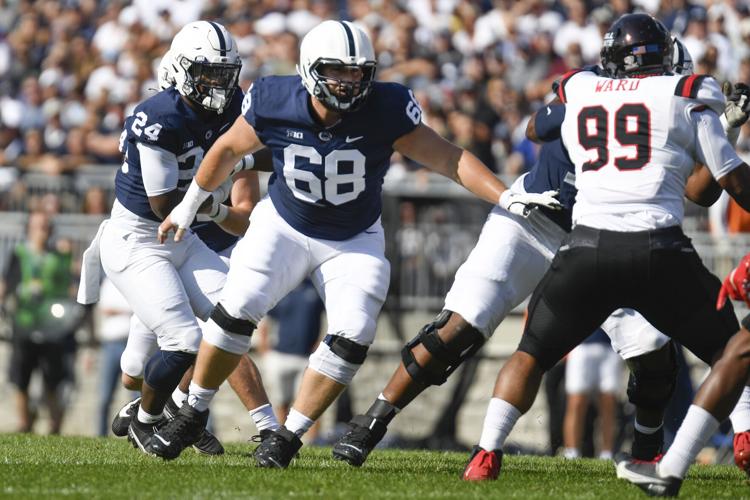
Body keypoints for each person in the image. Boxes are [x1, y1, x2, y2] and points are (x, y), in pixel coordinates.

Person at [151, 19, 560, 465]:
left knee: (353, 333)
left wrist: (506, 195)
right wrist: (189, 205)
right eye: (336, 71)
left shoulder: (387, 106)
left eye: (357, 72)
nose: (348, 82)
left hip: (353, 238)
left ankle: (287, 437)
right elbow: (228, 149)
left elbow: (447, 157)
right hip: (285, 224)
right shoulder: (273, 97)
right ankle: (193, 410)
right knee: (235, 309)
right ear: (309, 69)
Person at [329, 36, 739, 468]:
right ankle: (373, 420)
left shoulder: (665, 107)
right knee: (457, 328)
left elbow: (700, 193)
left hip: (603, 236)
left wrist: (725, 129)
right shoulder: (593, 90)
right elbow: (534, 128)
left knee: (654, 354)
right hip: (535, 218)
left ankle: (645, 455)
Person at [458, 14, 750, 497]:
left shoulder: (580, 89)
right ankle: (743, 437)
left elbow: (535, 128)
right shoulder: (686, 93)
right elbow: (727, 184)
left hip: (586, 247)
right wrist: (726, 126)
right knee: (732, 349)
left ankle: (486, 454)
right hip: (658, 249)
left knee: (531, 353)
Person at [77, 20, 275, 455]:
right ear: (182, 69)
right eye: (208, 73)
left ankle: (176, 412)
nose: (218, 84)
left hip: (181, 239)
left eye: (225, 74)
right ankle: (148, 420)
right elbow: (164, 204)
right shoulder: (159, 116)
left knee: (234, 319)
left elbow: (265, 154)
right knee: (180, 343)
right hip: (140, 240)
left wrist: (241, 165)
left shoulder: (230, 107)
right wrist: (227, 178)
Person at [1, 211, 80, 434]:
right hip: (24, 324)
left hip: (53, 327)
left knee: (54, 380)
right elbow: (8, 283)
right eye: (38, 226)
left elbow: (72, 284)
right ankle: (24, 423)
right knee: (21, 377)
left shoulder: (60, 256)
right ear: (29, 229)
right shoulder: (19, 253)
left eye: (46, 226)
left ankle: (54, 427)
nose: (42, 231)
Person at [257, 279, 325, 423]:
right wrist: (264, 349)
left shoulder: (316, 289)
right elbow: (266, 319)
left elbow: (326, 318)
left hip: (307, 357)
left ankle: (314, 440)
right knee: (281, 401)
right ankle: (281, 438)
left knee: (310, 402)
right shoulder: (281, 288)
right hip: (279, 355)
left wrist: (321, 346)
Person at [562, 329, 623, 460]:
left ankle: (607, 454)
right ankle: (571, 452)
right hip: (580, 345)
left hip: (611, 346)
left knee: (609, 404)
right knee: (576, 403)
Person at [94, 276, 132, 437]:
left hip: (132, 344)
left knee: (136, 396)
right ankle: (100, 435)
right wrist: (129, 309)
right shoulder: (109, 283)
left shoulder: (136, 280)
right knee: (104, 396)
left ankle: (136, 434)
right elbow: (106, 308)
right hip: (112, 344)